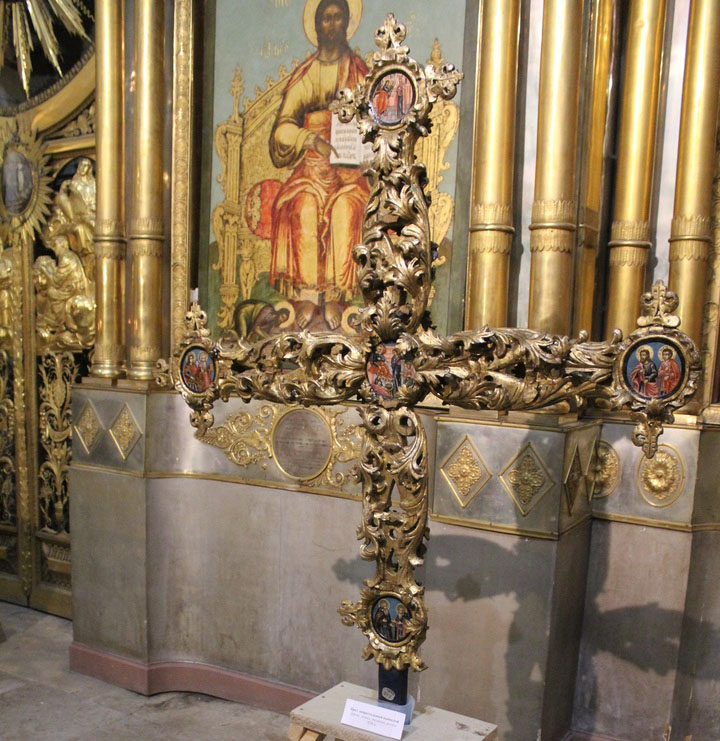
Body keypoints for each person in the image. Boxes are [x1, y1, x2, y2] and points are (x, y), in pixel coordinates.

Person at [268, 0, 369, 306]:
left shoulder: (360, 73)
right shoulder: (307, 74)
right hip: (312, 171)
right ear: (316, 25)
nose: (332, 24)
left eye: (338, 18)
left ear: (347, 23)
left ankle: (337, 299)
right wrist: (310, 139)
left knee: (345, 209)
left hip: (350, 174)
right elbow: (282, 129)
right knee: (303, 205)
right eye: (326, 18)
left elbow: (377, 123)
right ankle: (308, 298)